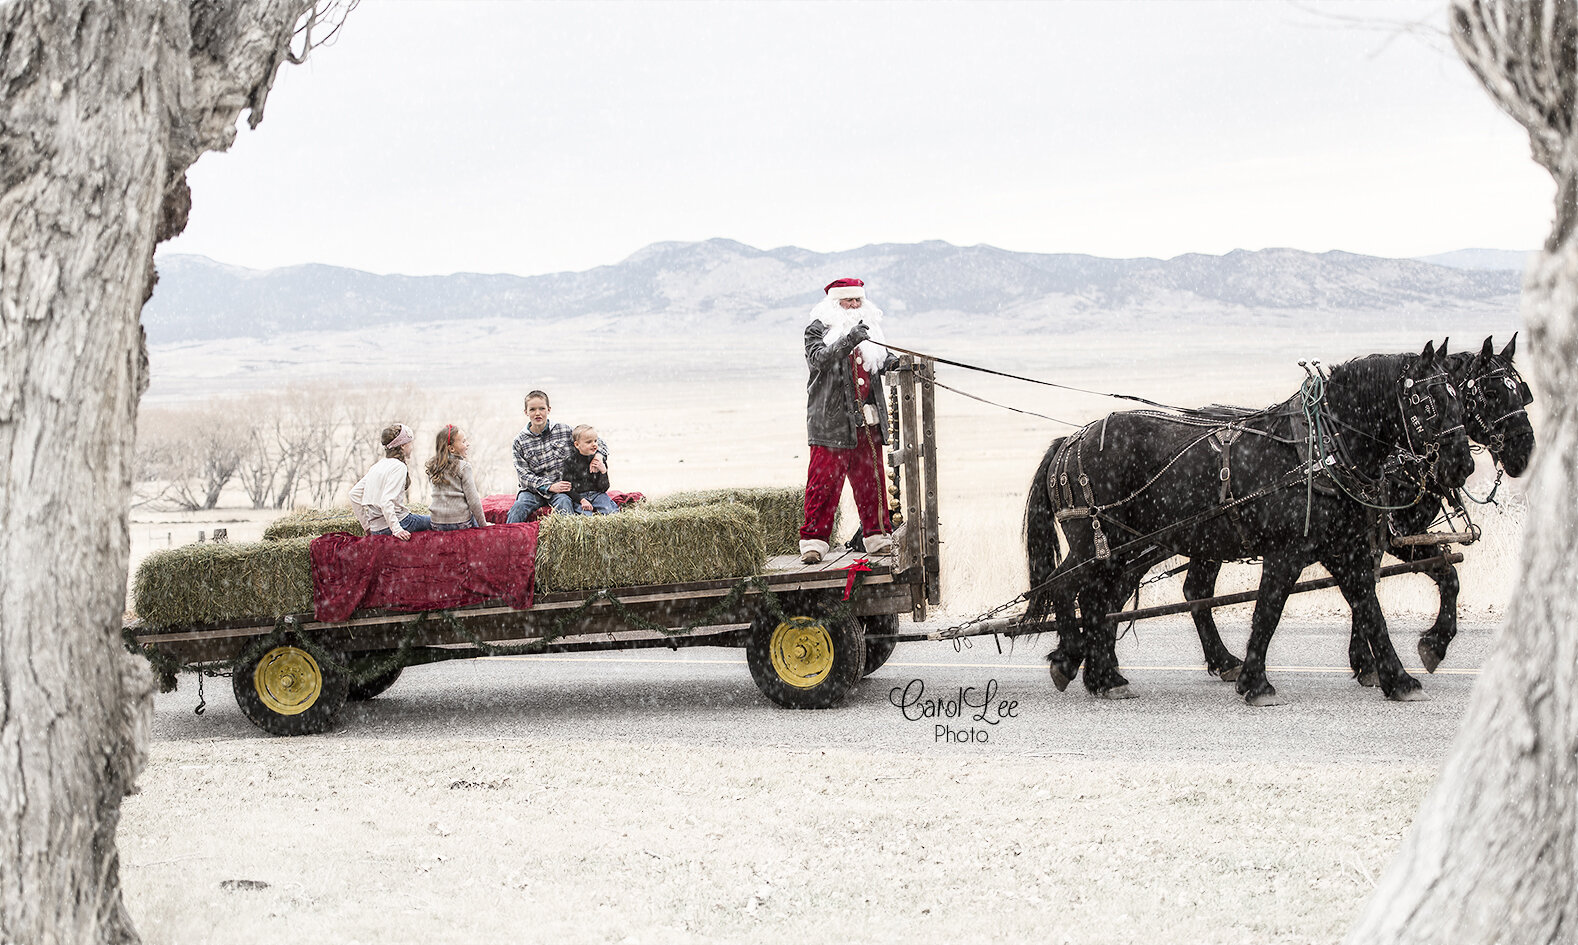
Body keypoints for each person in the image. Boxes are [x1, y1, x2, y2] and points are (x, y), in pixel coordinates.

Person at [799, 277, 896, 564]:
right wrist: (850, 339)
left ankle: (878, 537)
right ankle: (814, 543)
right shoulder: (818, 329)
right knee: (823, 485)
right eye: (848, 301)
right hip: (831, 423)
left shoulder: (869, 331)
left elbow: (881, 359)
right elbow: (818, 359)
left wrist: (895, 363)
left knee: (872, 483)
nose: (854, 305)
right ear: (834, 303)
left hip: (867, 422)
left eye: (858, 300)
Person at [506, 390, 609, 523]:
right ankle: (508, 541)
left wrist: (599, 457)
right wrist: (549, 487)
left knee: (565, 505)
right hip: (533, 491)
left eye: (541, 408)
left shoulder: (563, 430)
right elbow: (524, 475)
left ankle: (571, 543)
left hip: (561, 490)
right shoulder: (519, 441)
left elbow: (598, 442)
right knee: (518, 508)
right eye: (532, 409)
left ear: (548, 409)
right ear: (526, 412)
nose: (537, 413)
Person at [349, 423, 432, 540]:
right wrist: (397, 530)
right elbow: (386, 501)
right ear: (402, 446)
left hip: (376, 529)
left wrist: (367, 527)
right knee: (438, 522)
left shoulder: (376, 466)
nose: (412, 447)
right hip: (402, 522)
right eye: (410, 443)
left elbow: (353, 494)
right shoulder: (399, 467)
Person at [425, 424, 490, 531]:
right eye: (464, 441)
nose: (468, 444)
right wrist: (483, 525)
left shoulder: (432, 466)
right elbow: (473, 501)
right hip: (459, 522)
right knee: (473, 517)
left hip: (437, 523)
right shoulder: (464, 467)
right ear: (451, 449)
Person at [561, 424, 619, 515]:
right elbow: (567, 488)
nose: (594, 444)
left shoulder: (599, 460)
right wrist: (581, 500)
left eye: (595, 441)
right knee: (585, 517)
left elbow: (604, 488)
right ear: (577, 444)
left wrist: (603, 471)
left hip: (598, 495)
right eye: (589, 442)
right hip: (579, 497)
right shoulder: (570, 462)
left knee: (610, 512)